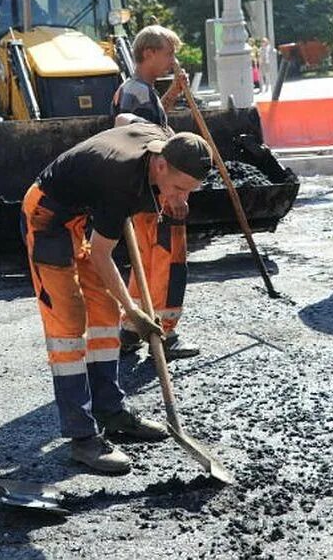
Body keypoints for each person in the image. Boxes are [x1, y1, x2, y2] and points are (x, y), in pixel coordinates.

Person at [21, 123, 213, 473]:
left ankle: (111, 412)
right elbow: (100, 253)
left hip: (81, 214)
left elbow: (125, 120)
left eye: (190, 192)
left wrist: (122, 308)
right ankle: (83, 439)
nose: (181, 199)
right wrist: (134, 310)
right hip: (47, 215)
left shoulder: (161, 140)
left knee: (104, 316)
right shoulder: (121, 183)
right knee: (68, 324)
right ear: (158, 166)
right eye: (178, 188)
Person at [111, 25, 198, 361]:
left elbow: (152, 126)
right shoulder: (137, 94)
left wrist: (174, 93)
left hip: (141, 191)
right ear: (148, 53)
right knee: (167, 260)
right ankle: (166, 330)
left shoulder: (136, 91)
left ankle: (132, 327)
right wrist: (175, 195)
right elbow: (151, 144)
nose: (172, 61)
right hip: (156, 191)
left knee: (146, 261)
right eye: (168, 54)